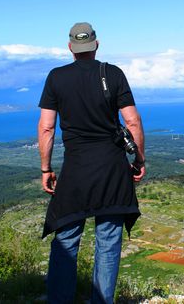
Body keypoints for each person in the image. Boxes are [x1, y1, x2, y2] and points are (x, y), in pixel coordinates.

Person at [37, 22, 145, 303]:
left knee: (66, 240)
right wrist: (140, 159)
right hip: (112, 170)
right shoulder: (113, 73)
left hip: (75, 172)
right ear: (96, 45)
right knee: (108, 243)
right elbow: (131, 120)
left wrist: (46, 168)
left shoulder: (56, 78)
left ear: (70, 47)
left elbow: (47, 128)